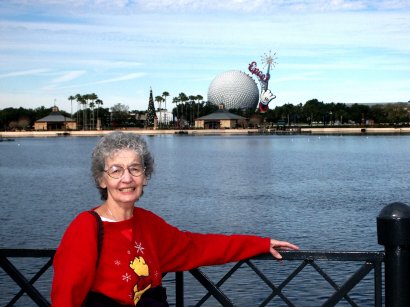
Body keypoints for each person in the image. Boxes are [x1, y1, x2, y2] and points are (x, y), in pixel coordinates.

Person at [51, 131, 299, 306]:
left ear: (145, 176)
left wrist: (259, 244)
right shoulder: (86, 227)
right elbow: (65, 297)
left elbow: (196, 248)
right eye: (116, 170)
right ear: (101, 180)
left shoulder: (148, 224)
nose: (127, 179)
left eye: (135, 169)